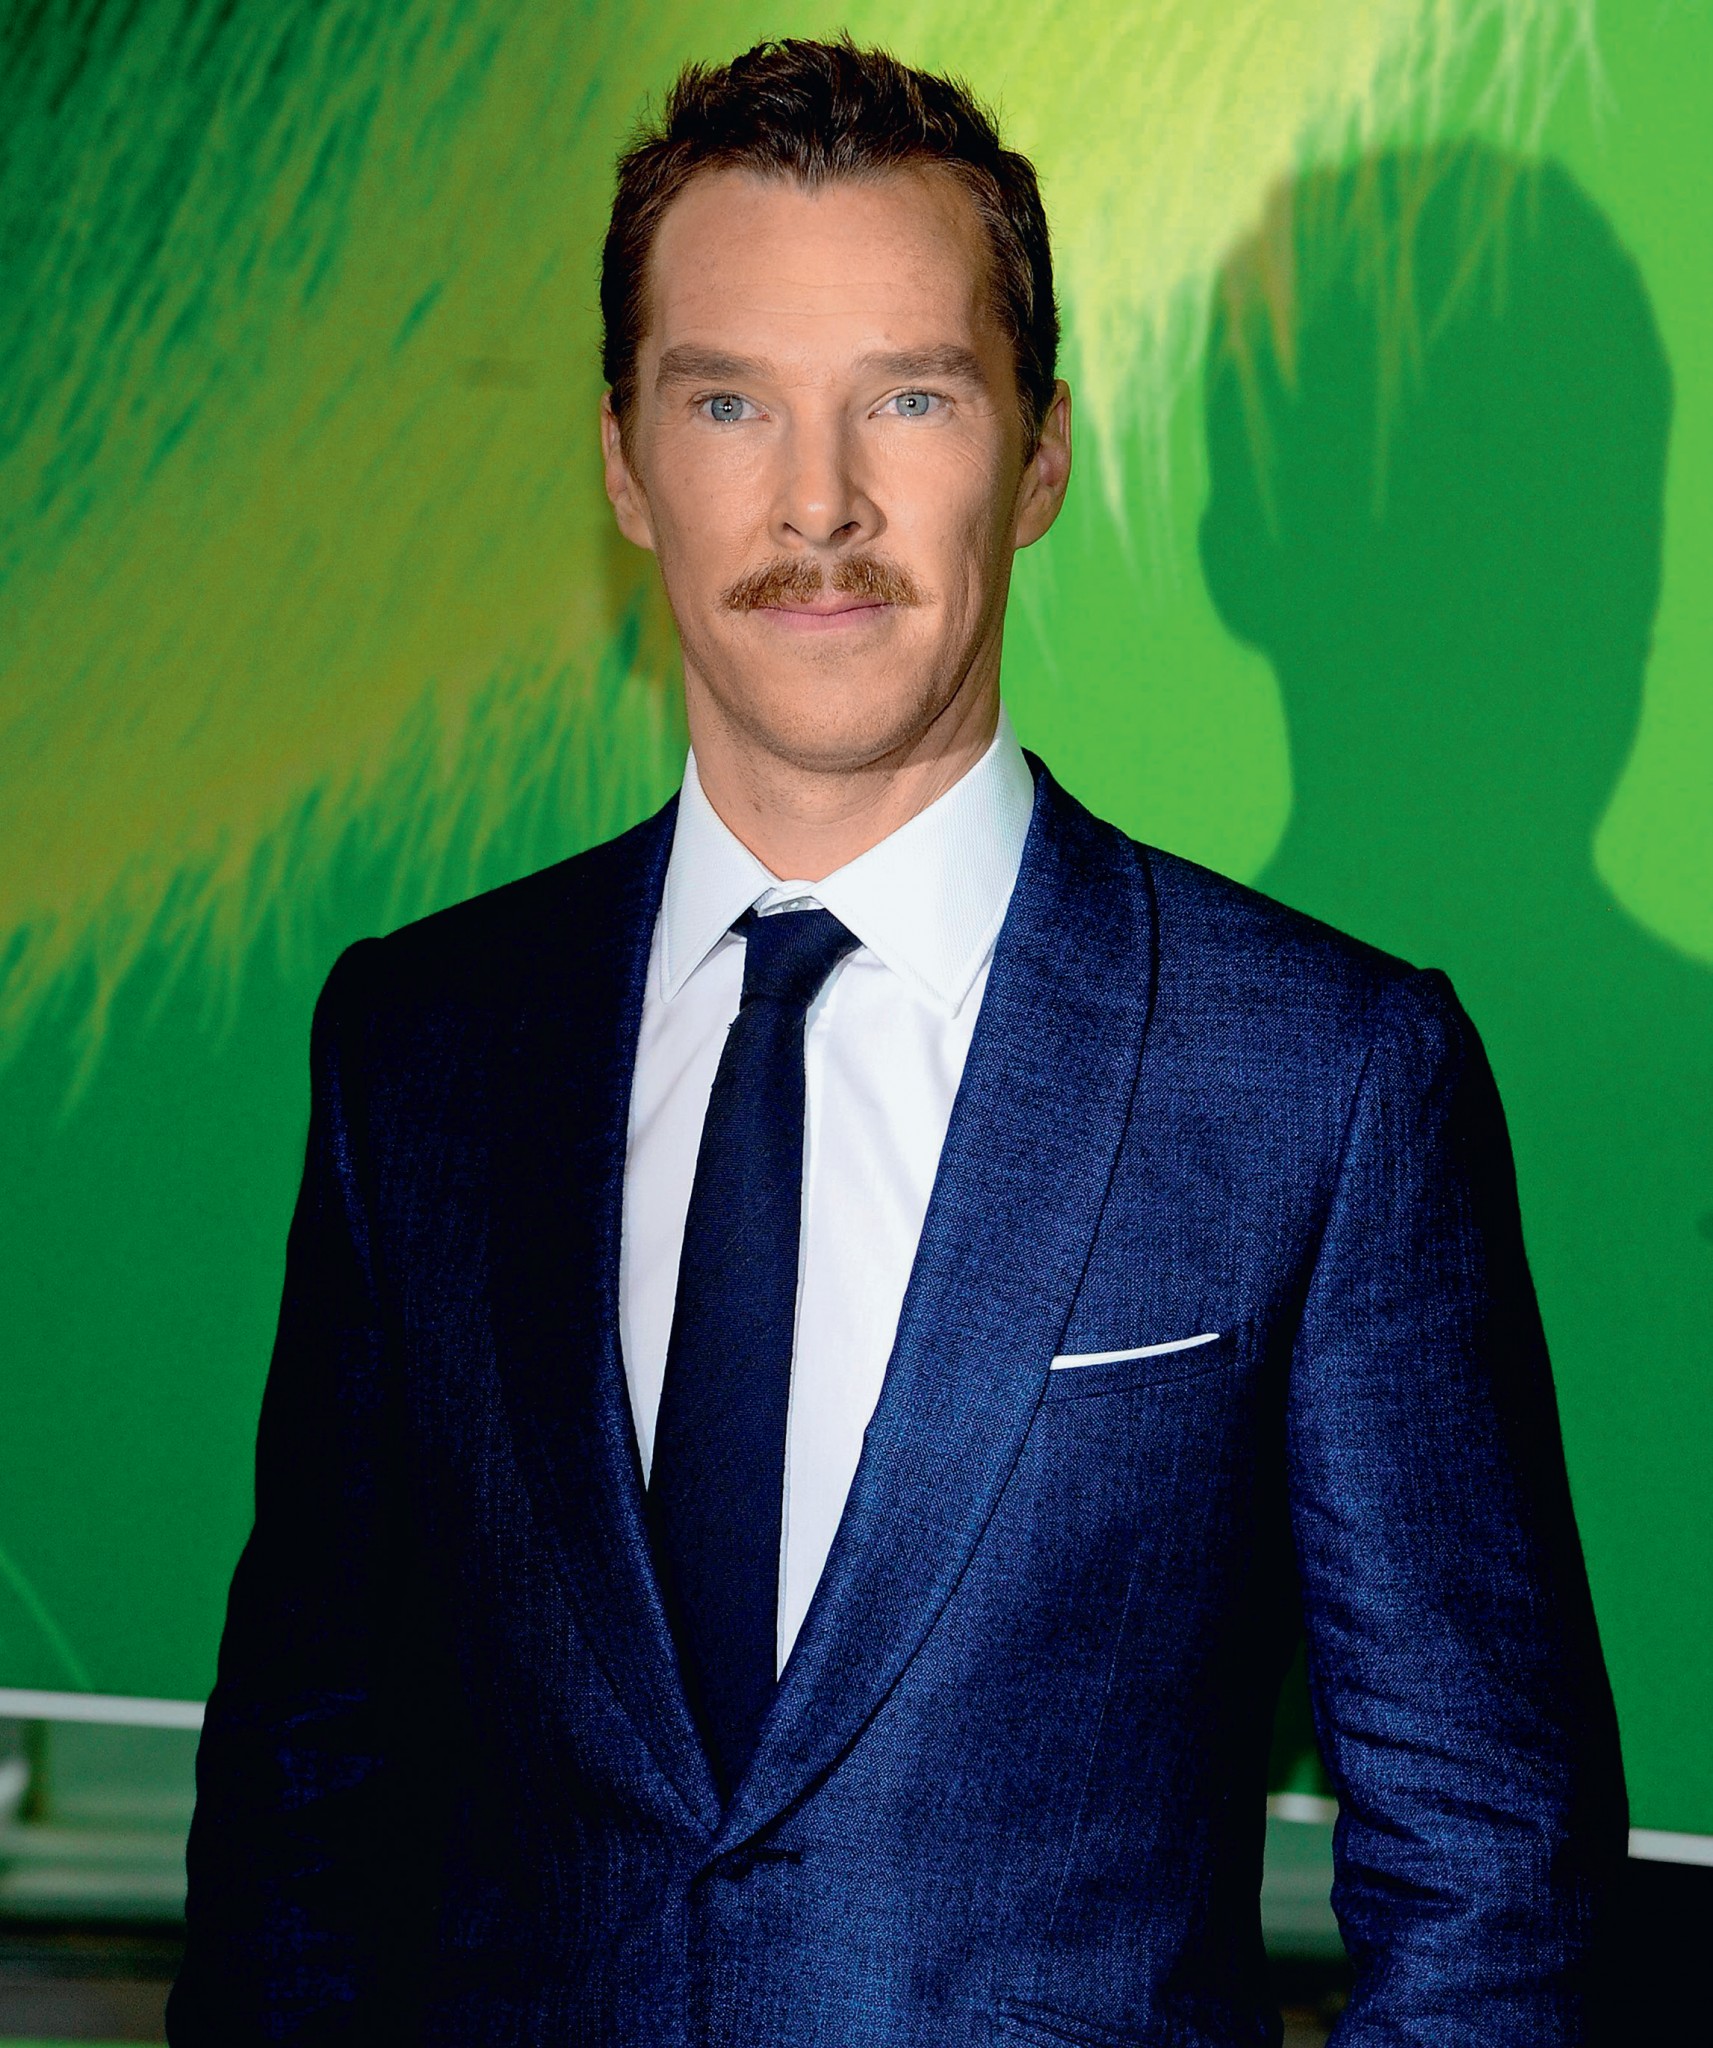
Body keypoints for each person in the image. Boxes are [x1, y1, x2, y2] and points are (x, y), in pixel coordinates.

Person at [167, 37, 1625, 2047]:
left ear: (1038, 459)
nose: (817, 503)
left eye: (910, 398)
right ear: (623, 464)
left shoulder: (1327, 1078)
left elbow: (1490, 1889)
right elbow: (295, 1815)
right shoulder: (417, 1053)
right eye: (728, 401)